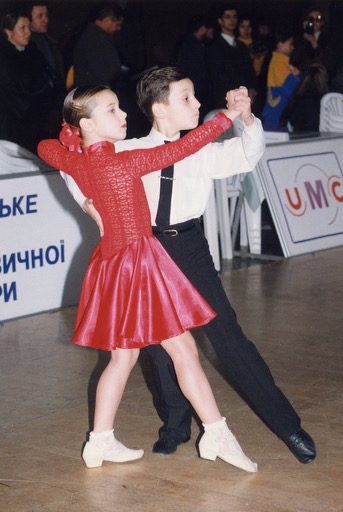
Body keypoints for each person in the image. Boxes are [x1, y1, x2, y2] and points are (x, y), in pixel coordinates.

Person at [63, 67, 316, 465]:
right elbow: (74, 166)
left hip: (190, 250)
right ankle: (176, 427)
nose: (197, 104)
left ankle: (288, 426)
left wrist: (245, 119)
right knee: (158, 352)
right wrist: (87, 204)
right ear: (159, 108)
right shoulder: (125, 151)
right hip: (146, 253)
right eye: (186, 98)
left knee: (226, 337)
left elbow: (247, 155)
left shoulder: (201, 151)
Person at [38, 82, 258, 473]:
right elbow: (182, 148)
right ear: (86, 122)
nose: (123, 115)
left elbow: (45, 147)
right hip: (139, 265)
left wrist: (78, 165)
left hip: (111, 265)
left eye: (120, 108)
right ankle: (216, 433)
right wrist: (226, 117)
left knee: (122, 358)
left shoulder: (78, 162)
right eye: (111, 110)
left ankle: (100, 440)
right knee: (183, 349)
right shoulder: (123, 162)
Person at [0, 4, 52, 152]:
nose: (28, 32)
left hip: (36, 118)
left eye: (28, 27)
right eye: (22, 28)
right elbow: (12, 97)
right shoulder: (3, 58)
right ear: (8, 32)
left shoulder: (33, 50)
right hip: (14, 123)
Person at [206, 3, 258, 112]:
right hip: (224, 101)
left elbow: (250, 71)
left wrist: (252, 90)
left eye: (234, 17)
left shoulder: (241, 46)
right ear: (220, 20)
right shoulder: (213, 47)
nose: (232, 20)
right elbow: (218, 78)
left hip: (245, 100)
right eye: (228, 17)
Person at [29, 2, 66, 138]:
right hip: (41, 105)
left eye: (46, 15)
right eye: (40, 16)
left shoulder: (49, 41)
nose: (46, 19)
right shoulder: (29, 45)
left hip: (55, 99)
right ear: (29, 20)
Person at [175, 15, 213, 121]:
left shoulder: (192, 44)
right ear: (202, 30)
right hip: (197, 92)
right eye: (210, 32)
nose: (211, 35)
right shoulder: (191, 47)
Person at [262, 30, 301, 131]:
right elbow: (294, 88)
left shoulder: (282, 63)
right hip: (276, 115)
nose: (292, 47)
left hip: (278, 114)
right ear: (280, 45)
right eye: (290, 44)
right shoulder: (278, 63)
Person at [280, 60, 329, 133]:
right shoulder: (327, 100)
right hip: (317, 138)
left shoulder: (298, 96)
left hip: (298, 138)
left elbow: (285, 119)